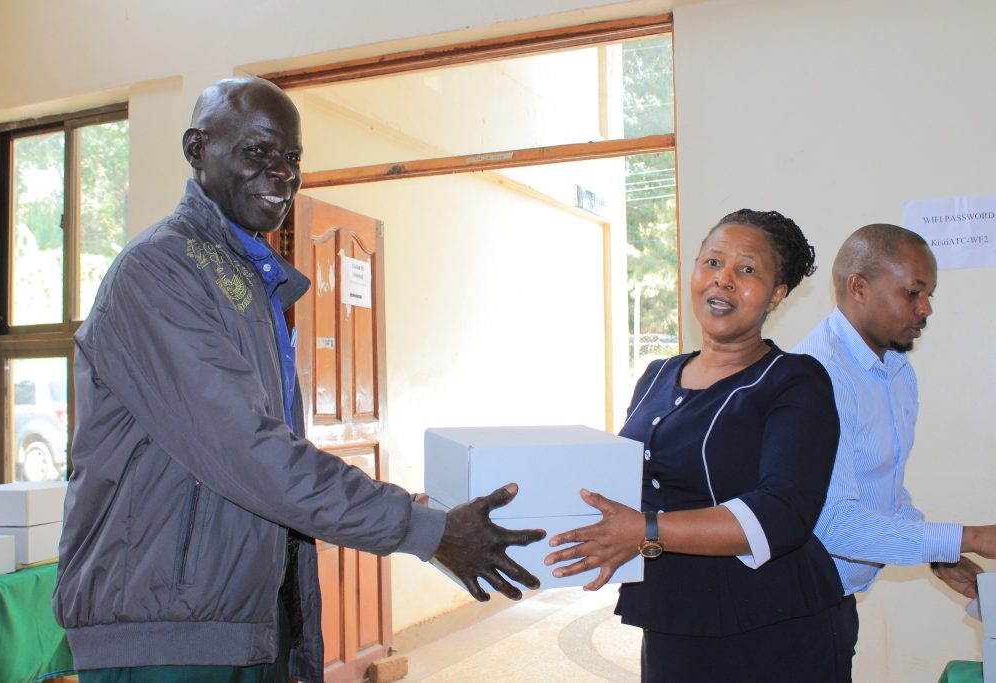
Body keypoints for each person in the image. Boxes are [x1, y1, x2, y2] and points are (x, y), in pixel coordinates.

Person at [53, 76, 544, 683]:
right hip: (167, 633)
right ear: (197, 148)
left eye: (292, 158)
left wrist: (410, 508)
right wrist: (428, 530)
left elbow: (266, 445)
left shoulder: (249, 279)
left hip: (243, 615)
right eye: (258, 151)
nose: (281, 173)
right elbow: (243, 448)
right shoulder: (159, 272)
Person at [545, 209, 847, 682]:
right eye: (711, 263)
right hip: (674, 618)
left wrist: (643, 529)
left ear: (777, 295)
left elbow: (782, 513)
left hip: (772, 622)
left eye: (747, 271)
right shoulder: (657, 375)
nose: (722, 280)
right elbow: (637, 487)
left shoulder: (795, 381)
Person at [793, 223, 996, 675]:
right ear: (858, 287)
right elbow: (835, 524)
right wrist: (972, 536)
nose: (926, 309)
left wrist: (939, 553)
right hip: (790, 606)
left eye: (930, 295)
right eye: (913, 293)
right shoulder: (817, 375)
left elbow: (882, 488)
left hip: (836, 597)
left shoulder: (895, 369)